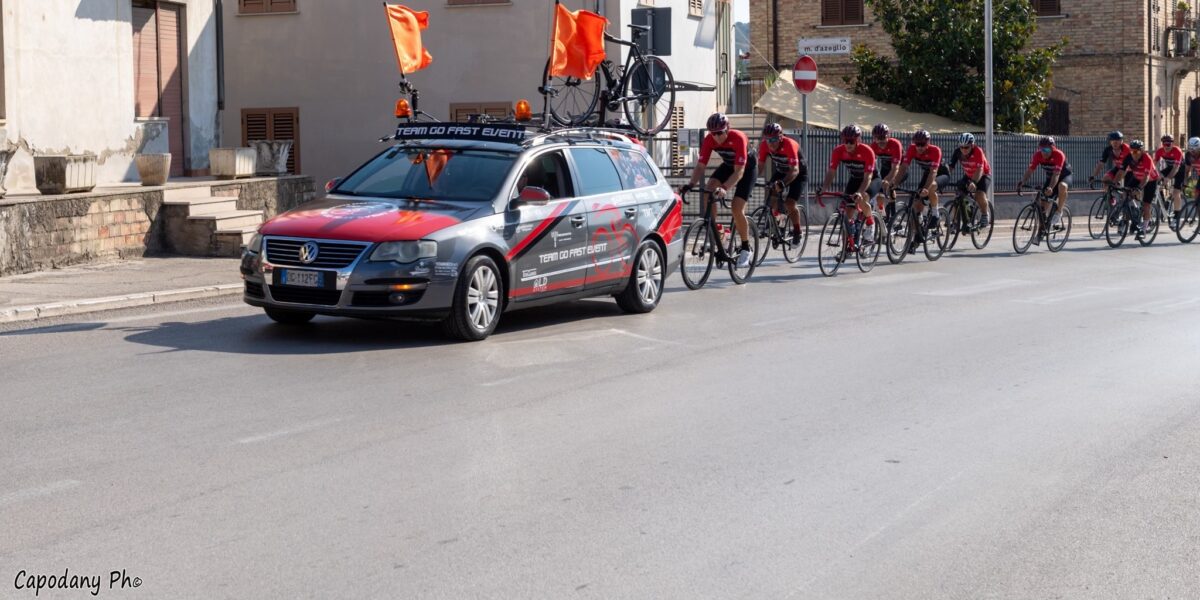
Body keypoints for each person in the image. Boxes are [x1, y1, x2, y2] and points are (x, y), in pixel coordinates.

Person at [680, 113, 758, 268]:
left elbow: (739, 172)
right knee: (708, 190)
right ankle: (717, 231)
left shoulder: (738, 138)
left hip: (746, 169)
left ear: (727, 129)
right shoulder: (709, 140)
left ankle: (745, 247)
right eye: (712, 133)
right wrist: (690, 184)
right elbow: (701, 166)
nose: (716, 137)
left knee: (736, 208)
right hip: (728, 166)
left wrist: (724, 188)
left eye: (719, 133)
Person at [818, 124, 876, 247]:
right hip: (855, 179)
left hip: (872, 178)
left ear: (858, 140)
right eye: (846, 141)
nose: (848, 144)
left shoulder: (867, 151)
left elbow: (868, 177)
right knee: (847, 212)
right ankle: (846, 248)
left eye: (851, 141)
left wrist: (859, 192)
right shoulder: (838, 151)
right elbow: (831, 171)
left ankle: (870, 224)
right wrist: (824, 188)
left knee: (863, 197)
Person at [890, 129, 945, 248]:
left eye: (922, 144)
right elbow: (904, 167)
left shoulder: (935, 150)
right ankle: (917, 236)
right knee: (916, 207)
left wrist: (926, 188)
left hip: (941, 174)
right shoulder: (912, 149)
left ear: (928, 142)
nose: (919, 147)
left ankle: (935, 213)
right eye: (917, 144)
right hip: (927, 174)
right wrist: (895, 182)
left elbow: (933, 172)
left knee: (932, 187)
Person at [757, 122, 806, 245]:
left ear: (780, 137)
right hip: (781, 171)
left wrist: (783, 184)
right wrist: (751, 180)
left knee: (790, 203)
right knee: (771, 192)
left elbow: (795, 170)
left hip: (797, 173)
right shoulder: (764, 146)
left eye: (773, 139)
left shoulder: (789, 144)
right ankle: (776, 221)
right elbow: (759, 167)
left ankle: (797, 231)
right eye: (767, 140)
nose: (770, 143)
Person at [1018, 136, 1073, 230]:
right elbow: (1030, 170)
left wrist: (1051, 187)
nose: (1044, 152)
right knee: (1043, 205)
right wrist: (1022, 182)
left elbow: (1056, 174)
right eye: (1041, 149)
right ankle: (1042, 228)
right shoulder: (1038, 155)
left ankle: (1059, 212)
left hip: (1064, 177)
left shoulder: (1059, 155)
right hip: (1050, 178)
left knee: (1062, 186)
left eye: (1047, 149)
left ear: (1052, 149)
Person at [1116, 139, 1160, 239]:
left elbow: (1146, 177)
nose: (1134, 154)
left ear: (1142, 151)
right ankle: (1134, 214)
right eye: (1131, 151)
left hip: (1150, 181)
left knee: (1146, 204)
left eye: (1136, 151)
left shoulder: (1147, 158)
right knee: (1125, 195)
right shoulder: (1128, 157)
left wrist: (1139, 188)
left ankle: (1143, 230)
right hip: (1136, 177)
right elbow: (1121, 172)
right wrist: (1114, 183)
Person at [946, 132, 991, 229]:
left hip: (983, 175)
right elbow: (950, 167)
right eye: (961, 147)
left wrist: (974, 182)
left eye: (966, 147)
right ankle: (955, 222)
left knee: (979, 194)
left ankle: (984, 215)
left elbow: (980, 169)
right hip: (968, 175)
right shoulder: (957, 152)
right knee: (957, 196)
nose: (963, 150)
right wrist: (944, 178)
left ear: (972, 145)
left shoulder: (978, 151)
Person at [866, 123, 904, 222]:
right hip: (885, 168)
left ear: (888, 136)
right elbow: (871, 165)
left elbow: (895, 167)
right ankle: (881, 212)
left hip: (900, 169)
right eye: (877, 138)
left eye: (883, 137)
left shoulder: (895, 144)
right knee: (879, 191)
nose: (880, 141)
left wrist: (888, 180)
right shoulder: (874, 146)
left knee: (890, 185)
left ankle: (894, 216)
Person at [1154, 134, 1184, 228]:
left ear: (1172, 144)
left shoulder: (1177, 151)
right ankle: (1163, 203)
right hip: (1169, 168)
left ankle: (1177, 216)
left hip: (1180, 170)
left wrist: (1168, 178)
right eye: (1164, 144)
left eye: (1169, 144)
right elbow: (1154, 165)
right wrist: (1157, 174)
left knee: (1176, 192)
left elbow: (1176, 168)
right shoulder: (1159, 151)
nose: (1166, 147)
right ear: (1162, 144)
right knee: (1156, 181)